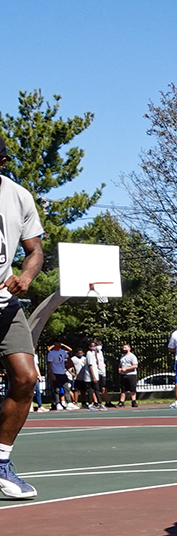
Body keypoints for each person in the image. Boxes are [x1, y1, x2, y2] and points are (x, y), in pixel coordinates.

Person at [0, 135, 46, 498]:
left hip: (4, 304)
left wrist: (27, 276)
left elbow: (34, 250)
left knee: (26, 378)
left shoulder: (18, 196)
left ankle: (1, 462)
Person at [46, 340, 74, 410]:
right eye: (57, 344)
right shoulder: (51, 353)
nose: (58, 345)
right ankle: (57, 403)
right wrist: (52, 374)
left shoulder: (63, 352)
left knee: (66, 388)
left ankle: (69, 402)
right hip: (56, 372)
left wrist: (69, 364)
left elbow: (68, 358)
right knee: (56, 389)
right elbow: (49, 365)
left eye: (59, 344)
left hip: (63, 373)